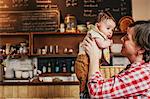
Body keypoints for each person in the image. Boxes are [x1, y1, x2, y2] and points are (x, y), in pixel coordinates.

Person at [82, 20, 150, 98]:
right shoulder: (137, 69)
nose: (122, 39)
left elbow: (96, 92)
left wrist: (94, 57)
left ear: (141, 48)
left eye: (127, 37)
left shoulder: (143, 73)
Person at [75, 11, 116, 98]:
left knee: (89, 78)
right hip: (84, 60)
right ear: (97, 26)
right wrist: (109, 43)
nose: (110, 32)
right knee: (84, 78)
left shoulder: (101, 35)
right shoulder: (94, 33)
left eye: (112, 30)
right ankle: (83, 93)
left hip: (90, 60)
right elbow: (101, 44)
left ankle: (85, 92)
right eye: (108, 28)